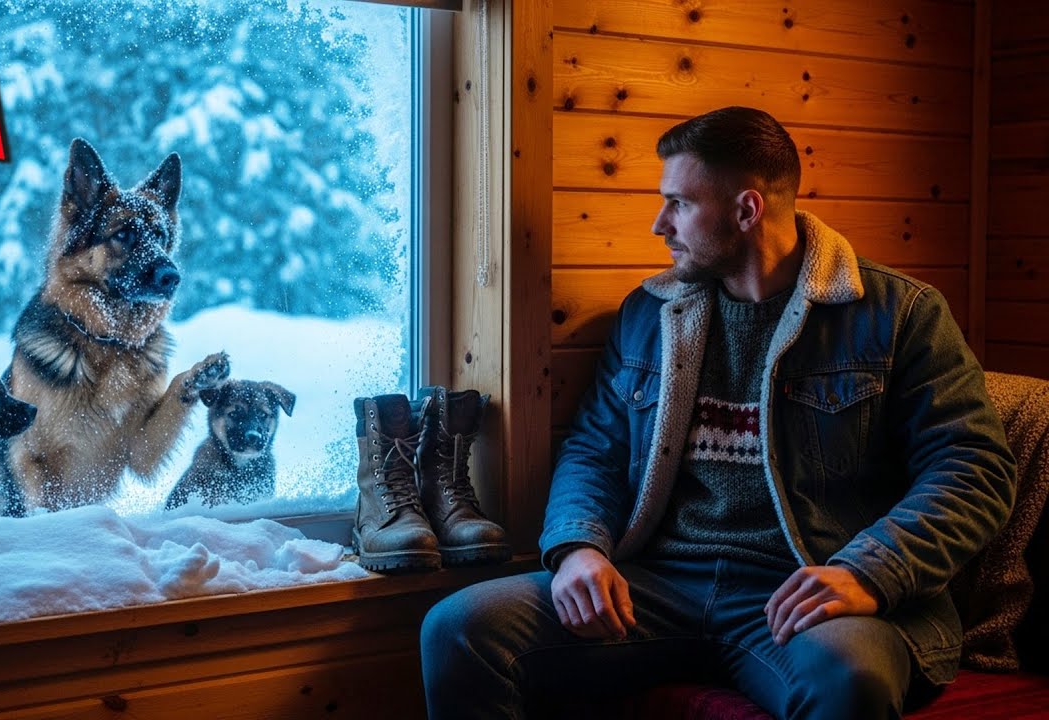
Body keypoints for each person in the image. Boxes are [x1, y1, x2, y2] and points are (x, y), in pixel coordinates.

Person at [419, 106, 1017, 720]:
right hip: (657, 585)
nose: (659, 224)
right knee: (459, 628)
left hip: (804, 589)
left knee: (849, 679)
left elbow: (974, 469)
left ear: (746, 210)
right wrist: (578, 548)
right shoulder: (648, 315)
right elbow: (595, 448)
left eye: (678, 203)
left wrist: (869, 572)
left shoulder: (899, 314)